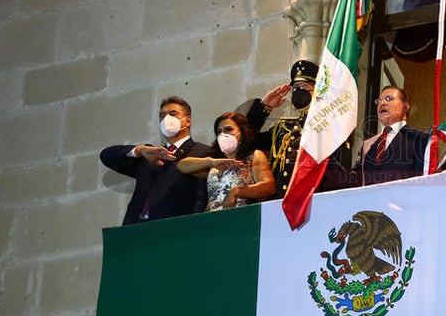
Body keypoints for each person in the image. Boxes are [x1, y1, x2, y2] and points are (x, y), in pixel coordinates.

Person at [100, 96, 212, 225]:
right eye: (162, 116)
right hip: (136, 229)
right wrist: (139, 150)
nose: (166, 119)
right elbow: (106, 156)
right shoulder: (149, 154)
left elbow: (201, 198)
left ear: (187, 121)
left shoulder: (201, 152)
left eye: (173, 114)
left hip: (173, 230)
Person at [237, 60, 319, 199]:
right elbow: (246, 142)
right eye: (296, 87)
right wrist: (263, 108)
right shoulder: (284, 129)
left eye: (304, 86)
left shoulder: (327, 127)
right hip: (280, 201)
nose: (299, 91)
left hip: (312, 200)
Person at [176, 112, 276, 210]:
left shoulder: (253, 156)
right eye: (219, 132)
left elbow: (269, 187)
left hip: (241, 217)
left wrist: (237, 192)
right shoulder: (215, 162)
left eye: (229, 130)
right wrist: (210, 162)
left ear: (242, 132)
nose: (223, 135)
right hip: (212, 219)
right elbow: (182, 166)